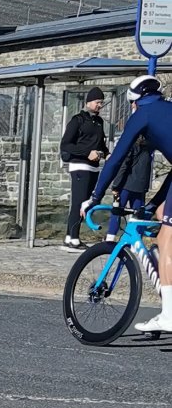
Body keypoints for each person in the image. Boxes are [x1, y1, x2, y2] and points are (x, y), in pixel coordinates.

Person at [92, 75, 172, 333]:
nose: (133, 107)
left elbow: (116, 158)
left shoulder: (143, 115)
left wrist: (95, 197)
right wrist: (154, 203)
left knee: (167, 239)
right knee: (161, 214)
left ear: (137, 100)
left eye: (132, 103)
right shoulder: (167, 109)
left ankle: (169, 315)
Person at [60, 86, 110, 247]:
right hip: (80, 166)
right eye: (97, 102)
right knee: (79, 202)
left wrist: (107, 154)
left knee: (86, 203)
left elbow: (100, 143)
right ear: (88, 102)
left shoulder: (99, 122)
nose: (99, 105)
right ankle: (74, 238)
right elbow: (66, 144)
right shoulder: (77, 120)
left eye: (101, 102)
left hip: (94, 167)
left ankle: (69, 236)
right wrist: (87, 153)